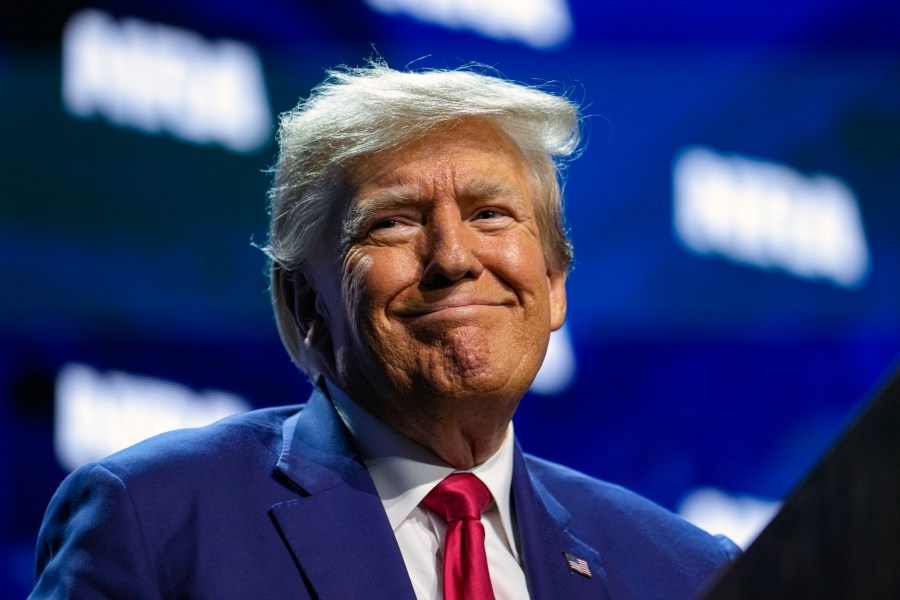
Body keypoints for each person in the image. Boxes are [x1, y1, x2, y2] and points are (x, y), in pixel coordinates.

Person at [31, 61, 739, 599]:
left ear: (553, 284)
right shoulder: (154, 521)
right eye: (393, 222)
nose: (455, 259)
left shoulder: (685, 573)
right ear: (306, 306)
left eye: (491, 213)